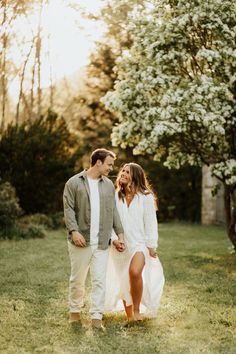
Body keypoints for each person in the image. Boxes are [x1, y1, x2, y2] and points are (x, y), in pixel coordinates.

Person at [63, 148, 124, 329]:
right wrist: (74, 231)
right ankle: (74, 312)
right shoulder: (73, 183)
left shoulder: (108, 185)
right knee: (77, 279)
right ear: (98, 162)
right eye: (109, 164)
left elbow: (113, 212)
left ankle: (96, 317)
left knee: (99, 281)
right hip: (80, 241)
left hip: (102, 242)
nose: (111, 168)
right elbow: (68, 209)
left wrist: (119, 234)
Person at [105, 162, 164, 323]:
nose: (122, 173)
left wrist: (151, 246)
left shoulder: (146, 197)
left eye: (127, 172)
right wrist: (115, 240)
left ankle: (137, 309)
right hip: (120, 244)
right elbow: (109, 221)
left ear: (135, 176)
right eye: (122, 171)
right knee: (123, 278)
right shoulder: (115, 196)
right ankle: (130, 315)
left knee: (134, 272)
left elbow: (151, 223)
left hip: (139, 243)